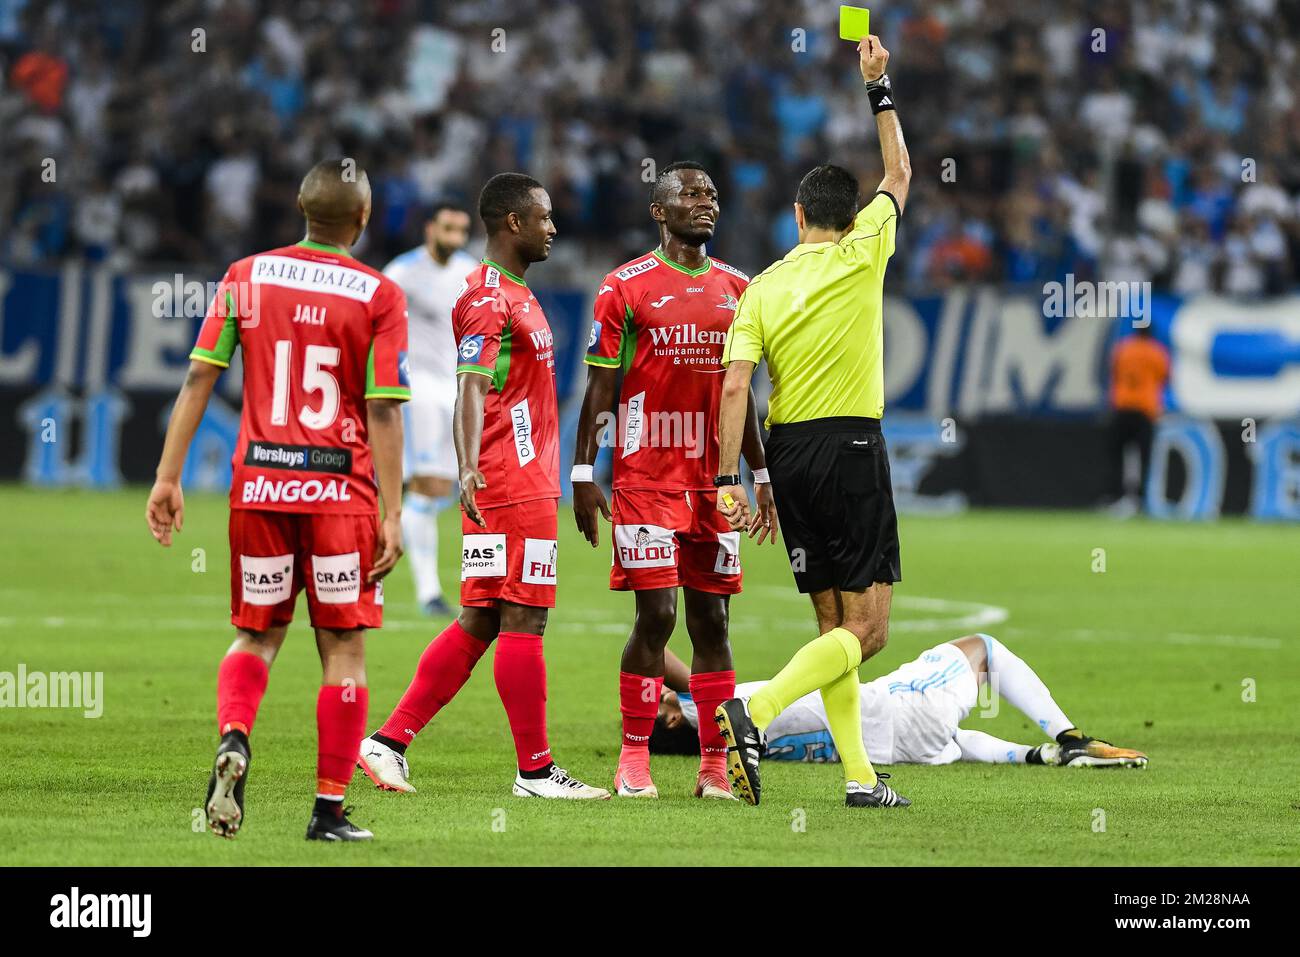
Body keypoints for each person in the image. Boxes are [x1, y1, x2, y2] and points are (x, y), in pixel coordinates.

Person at [146, 159, 409, 842]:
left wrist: (167, 477)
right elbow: (382, 409)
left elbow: (200, 376)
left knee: (256, 634)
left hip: (260, 485)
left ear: (299, 206)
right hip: (339, 491)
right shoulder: (378, 293)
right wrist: (392, 509)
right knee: (344, 648)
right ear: (362, 217)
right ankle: (326, 811)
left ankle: (235, 735)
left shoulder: (246, 276)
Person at [358, 173, 609, 800]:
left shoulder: (516, 291)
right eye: (544, 217)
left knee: (481, 618)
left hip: (518, 476)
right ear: (512, 222)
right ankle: (535, 772)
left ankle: (387, 742)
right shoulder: (488, 295)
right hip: (510, 479)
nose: (554, 227)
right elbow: (471, 383)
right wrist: (468, 463)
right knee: (525, 616)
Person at [712, 35, 913, 808]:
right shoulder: (867, 246)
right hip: (853, 445)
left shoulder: (760, 287)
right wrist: (878, 85)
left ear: (798, 216)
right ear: (847, 213)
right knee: (868, 630)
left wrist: (732, 476)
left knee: (832, 622)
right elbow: (898, 173)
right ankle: (754, 710)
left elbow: (736, 386)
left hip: (790, 454)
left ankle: (860, 777)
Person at [571, 161, 777, 801]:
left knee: (712, 621)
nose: (706, 202)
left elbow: (738, 396)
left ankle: (714, 768)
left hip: (714, 483)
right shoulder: (623, 288)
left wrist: (761, 474)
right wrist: (583, 471)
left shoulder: (741, 289)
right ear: (659, 211)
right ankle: (634, 758)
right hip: (645, 476)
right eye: (690, 194)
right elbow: (600, 387)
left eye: (712, 194)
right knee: (656, 614)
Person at [650, 639, 1148, 770]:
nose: (662, 695)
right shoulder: (717, 704)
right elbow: (662, 659)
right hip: (898, 708)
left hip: (893, 747)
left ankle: (1036, 755)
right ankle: (1070, 738)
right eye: (659, 705)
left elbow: (676, 682)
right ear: (676, 718)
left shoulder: (720, 740)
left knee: (952, 741)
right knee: (984, 649)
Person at [382, 202, 476, 617]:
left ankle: (381, 571)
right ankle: (427, 591)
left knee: (436, 490)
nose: (454, 237)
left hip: (453, 390)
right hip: (413, 388)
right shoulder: (402, 273)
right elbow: (374, 321)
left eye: (461, 229)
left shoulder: (470, 272)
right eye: (448, 227)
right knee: (419, 484)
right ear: (429, 228)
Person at [1107, 323, 1170, 513]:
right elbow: (1164, 378)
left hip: (1122, 406)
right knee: (1145, 457)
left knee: (1117, 455)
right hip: (1145, 408)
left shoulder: (1123, 349)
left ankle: (1116, 496)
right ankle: (1141, 500)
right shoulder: (1157, 352)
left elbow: (1114, 373)